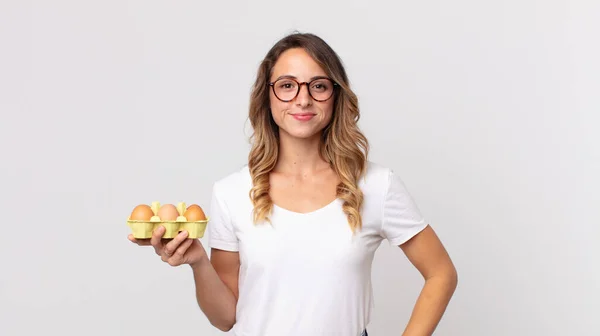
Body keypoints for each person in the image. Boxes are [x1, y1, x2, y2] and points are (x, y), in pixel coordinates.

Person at [128, 32, 458, 336]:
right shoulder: (231, 193)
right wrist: (198, 261)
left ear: (335, 95)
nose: (303, 99)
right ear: (267, 97)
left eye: (318, 85)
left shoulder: (376, 185)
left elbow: (441, 273)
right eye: (287, 85)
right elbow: (225, 318)